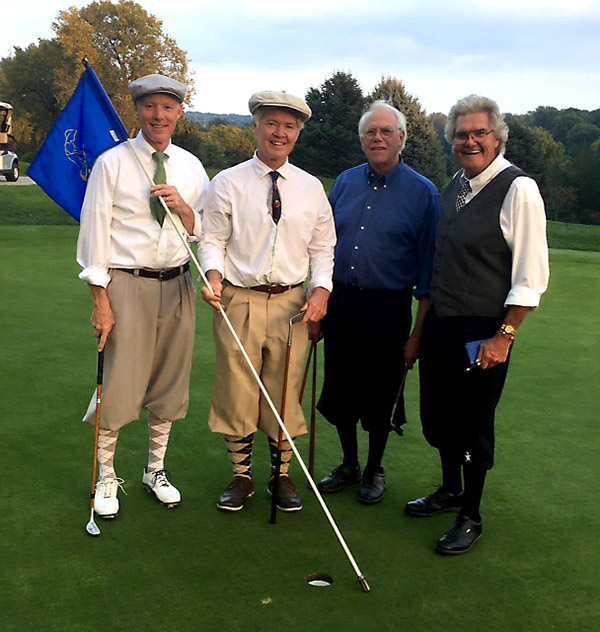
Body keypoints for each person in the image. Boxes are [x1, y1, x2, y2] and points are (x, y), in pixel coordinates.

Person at [404, 95, 549, 554]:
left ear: (497, 137)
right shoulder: (456, 185)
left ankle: (472, 513)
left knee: (472, 421)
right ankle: (451, 491)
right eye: (461, 134)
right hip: (445, 323)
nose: (469, 141)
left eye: (478, 133)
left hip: (484, 329)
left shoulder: (517, 188)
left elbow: (531, 274)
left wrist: (504, 336)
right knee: (441, 414)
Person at [77, 73, 209, 519]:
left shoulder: (191, 166)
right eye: (150, 107)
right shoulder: (112, 163)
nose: (159, 115)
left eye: (168, 107)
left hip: (177, 283)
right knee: (119, 384)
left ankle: (156, 469)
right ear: (138, 110)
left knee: (169, 383)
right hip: (126, 283)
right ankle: (107, 475)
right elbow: (93, 235)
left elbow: (204, 231)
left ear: (179, 113)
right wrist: (101, 300)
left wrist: (185, 208)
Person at [199, 90, 336, 513]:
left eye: (289, 126)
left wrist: (322, 292)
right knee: (238, 391)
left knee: (283, 391)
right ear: (255, 127)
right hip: (237, 298)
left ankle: (281, 476)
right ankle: (242, 477)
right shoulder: (227, 182)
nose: (280, 133)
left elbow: (322, 248)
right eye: (272, 123)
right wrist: (213, 278)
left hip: (292, 304)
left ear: (297, 134)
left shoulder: (311, 188)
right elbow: (213, 240)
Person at [315, 101, 441, 504]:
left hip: (387, 309)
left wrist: (418, 334)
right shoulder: (346, 182)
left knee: (381, 394)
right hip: (341, 302)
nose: (378, 138)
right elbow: (323, 247)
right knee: (341, 389)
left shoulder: (423, 193)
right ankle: (349, 464)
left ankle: (374, 468)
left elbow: (428, 271)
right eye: (371, 132)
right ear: (362, 139)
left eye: (386, 131)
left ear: (401, 138)